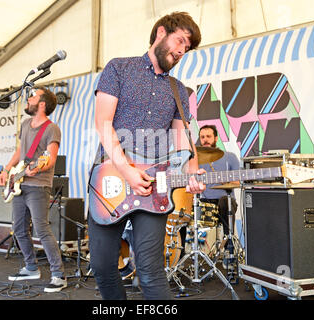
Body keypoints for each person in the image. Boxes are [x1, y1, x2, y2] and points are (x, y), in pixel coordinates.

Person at [89, 12, 204, 300]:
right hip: (111, 178)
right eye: (179, 41)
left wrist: (192, 172)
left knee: (151, 269)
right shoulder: (119, 68)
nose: (180, 51)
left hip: (155, 187)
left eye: (186, 48)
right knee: (103, 266)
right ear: (160, 33)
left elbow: (182, 139)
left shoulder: (178, 90)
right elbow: (103, 124)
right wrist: (128, 170)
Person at [0, 86, 66, 293]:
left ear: (41, 104)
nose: (27, 99)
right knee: (18, 228)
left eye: (32, 96)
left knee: (42, 229)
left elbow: (50, 158)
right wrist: (7, 169)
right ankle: (31, 267)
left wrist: (39, 166)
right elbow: (21, 151)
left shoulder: (51, 128)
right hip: (19, 183)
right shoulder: (26, 123)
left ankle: (58, 274)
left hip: (38, 186)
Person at [198, 125, 240, 240]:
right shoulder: (195, 160)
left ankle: (228, 243)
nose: (205, 139)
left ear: (216, 138)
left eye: (208, 136)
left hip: (225, 201)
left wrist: (222, 180)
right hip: (204, 201)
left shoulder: (230, 157)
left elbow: (237, 182)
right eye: (202, 137)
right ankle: (183, 251)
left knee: (225, 201)